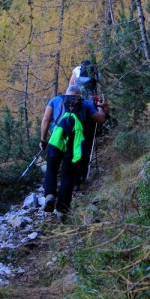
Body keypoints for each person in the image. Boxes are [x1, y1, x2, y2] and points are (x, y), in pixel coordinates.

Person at [39, 85, 108, 221]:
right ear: (79, 93)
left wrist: (43, 139)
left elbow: (46, 119)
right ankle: (62, 211)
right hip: (75, 142)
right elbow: (101, 119)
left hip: (57, 139)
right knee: (68, 175)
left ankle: (50, 195)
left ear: (67, 92)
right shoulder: (85, 103)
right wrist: (102, 107)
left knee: (51, 169)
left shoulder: (55, 100)